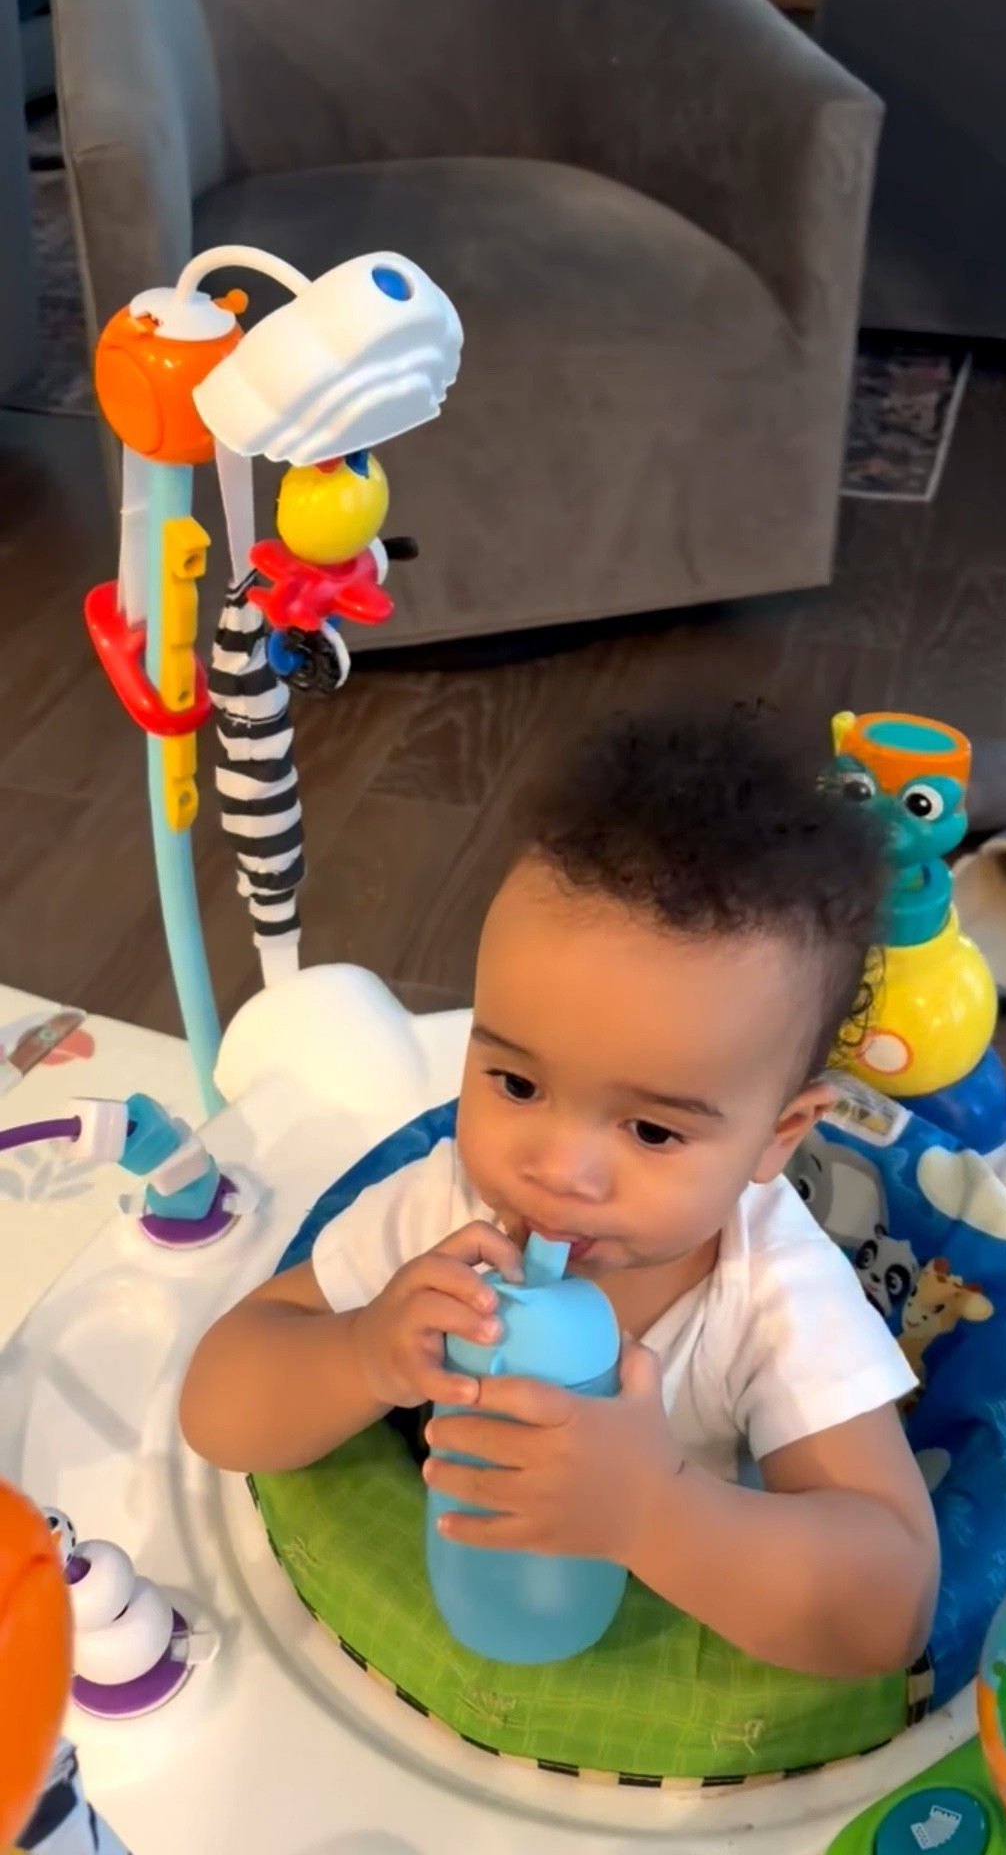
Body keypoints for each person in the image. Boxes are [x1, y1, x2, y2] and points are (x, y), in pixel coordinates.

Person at [181, 706, 940, 1679]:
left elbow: (888, 1613)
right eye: (517, 1083)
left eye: (654, 1129)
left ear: (777, 1136)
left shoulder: (776, 1294)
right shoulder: (446, 1218)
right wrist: (363, 1354)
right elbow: (217, 1407)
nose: (558, 1169)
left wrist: (656, 1512)